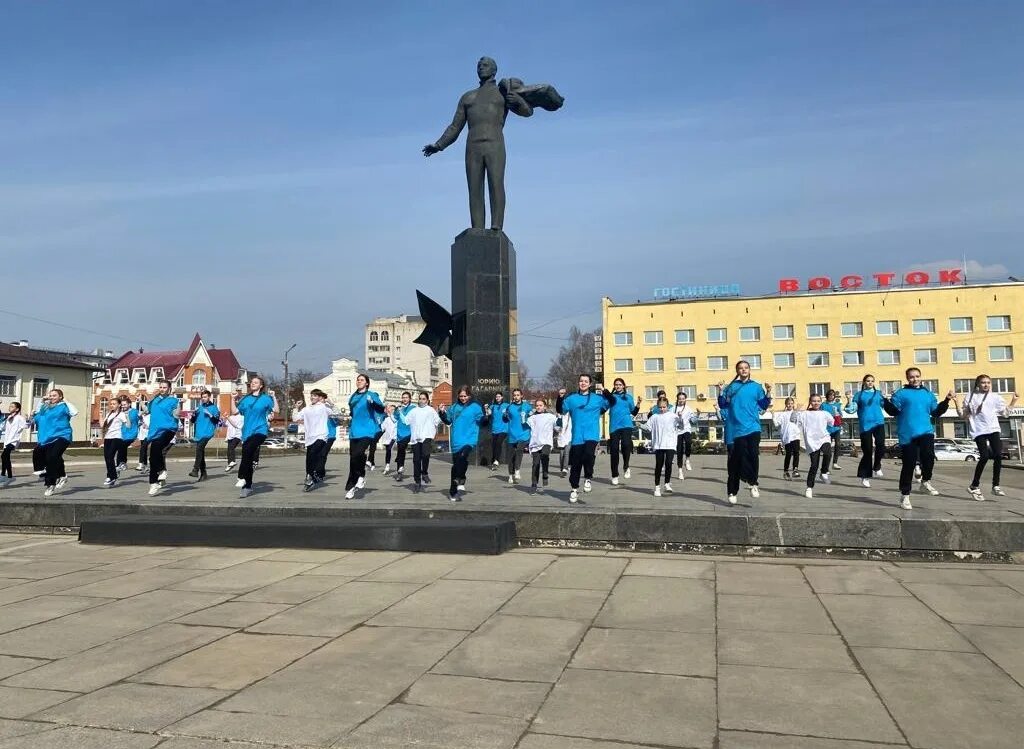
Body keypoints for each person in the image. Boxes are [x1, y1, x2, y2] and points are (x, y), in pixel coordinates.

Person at [882, 368, 953, 510]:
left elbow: (936, 412)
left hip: (926, 431)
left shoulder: (928, 394)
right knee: (908, 464)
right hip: (908, 434)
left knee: (929, 457)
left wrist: (946, 400)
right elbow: (893, 411)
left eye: (917, 376)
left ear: (921, 377)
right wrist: (884, 401)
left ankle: (925, 482)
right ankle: (905, 495)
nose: (915, 379)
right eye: (912, 377)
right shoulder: (901, 394)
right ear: (907, 378)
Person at [718, 361, 772, 505]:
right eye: (740, 368)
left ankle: (754, 483)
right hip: (737, 429)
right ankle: (735, 489)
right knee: (739, 458)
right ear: (737, 371)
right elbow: (723, 404)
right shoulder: (732, 387)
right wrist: (721, 391)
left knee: (753, 454)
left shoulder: (756, 387)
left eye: (746, 368)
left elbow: (763, 405)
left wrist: (768, 392)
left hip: (753, 427)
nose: (743, 370)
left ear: (749, 370)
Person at [958, 375, 1018, 500]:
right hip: (979, 430)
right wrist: (955, 402)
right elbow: (964, 415)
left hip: (993, 429)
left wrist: (1013, 401)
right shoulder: (970, 396)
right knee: (984, 456)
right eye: (983, 382)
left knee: (997, 455)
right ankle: (974, 485)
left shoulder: (995, 397)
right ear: (978, 384)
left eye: (988, 383)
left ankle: (995, 485)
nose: (986, 385)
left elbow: (1005, 414)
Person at [556, 375, 612, 503]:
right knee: (576, 463)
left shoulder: (597, 399)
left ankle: (588, 478)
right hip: (577, 436)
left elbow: (611, 402)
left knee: (588, 455)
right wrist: (560, 397)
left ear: (590, 384)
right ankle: (574, 489)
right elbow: (560, 409)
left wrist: (604, 391)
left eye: (586, 381)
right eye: (581, 381)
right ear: (578, 383)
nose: (583, 383)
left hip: (592, 434)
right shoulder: (572, 399)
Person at [232, 377, 277, 498]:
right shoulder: (245, 399)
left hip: (261, 430)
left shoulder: (266, 398)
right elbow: (235, 411)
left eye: (256, 382)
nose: (253, 384)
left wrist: (274, 398)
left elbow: (275, 410)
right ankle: (248, 485)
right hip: (247, 432)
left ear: (261, 385)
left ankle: (241, 477)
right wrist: (233, 399)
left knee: (247, 452)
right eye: (251, 382)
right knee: (248, 456)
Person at [439, 385, 487, 500]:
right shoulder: (454, 407)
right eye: (461, 396)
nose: (463, 398)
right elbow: (448, 421)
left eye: (465, 396)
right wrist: (441, 413)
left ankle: (459, 479)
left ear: (469, 396)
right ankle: (453, 490)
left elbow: (482, 421)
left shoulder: (475, 407)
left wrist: (487, 415)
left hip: (470, 438)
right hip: (456, 439)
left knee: (463, 455)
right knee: (456, 465)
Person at [29, 389, 78, 497]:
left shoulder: (63, 406)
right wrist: (41, 402)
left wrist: (66, 400)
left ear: (60, 397)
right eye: (50, 395)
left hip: (62, 435)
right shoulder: (45, 407)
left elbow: (74, 412)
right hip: (46, 438)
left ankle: (50, 484)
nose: (51, 397)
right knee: (47, 455)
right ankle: (62, 475)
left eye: (54, 395)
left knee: (53, 456)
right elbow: (37, 415)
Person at [345, 374, 385, 499]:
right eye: (358, 380)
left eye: (362, 380)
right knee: (353, 458)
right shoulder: (353, 396)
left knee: (358, 454)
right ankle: (353, 486)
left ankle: (361, 476)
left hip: (367, 430)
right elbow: (352, 411)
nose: (359, 381)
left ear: (367, 383)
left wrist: (372, 402)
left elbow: (381, 408)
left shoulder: (371, 395)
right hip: (354, 431)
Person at [845, 375, 886, 488]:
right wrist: (849, 399)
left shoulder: (878, 393)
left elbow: (885, 405)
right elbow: (851, 409)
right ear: (864, 382)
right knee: (867, 451)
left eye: (872, 381)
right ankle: (865, 476)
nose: (870, 383)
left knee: (881, 446)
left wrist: (892, 400)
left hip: (879, 422)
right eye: (868, 381)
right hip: (865, 425)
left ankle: (877, 466)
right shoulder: (859, 395)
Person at [789, 395, 834, 498]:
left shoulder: (825, 413)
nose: (816, 403)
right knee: (814, 465)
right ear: (810, 402)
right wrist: (796, 410)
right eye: (814, 401)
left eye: (818, 401)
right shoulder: (804, 414)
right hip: (811, 441)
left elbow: (832, 423)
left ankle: (823, 472)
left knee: (828, 453)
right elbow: (792, 420)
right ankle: (809, 487)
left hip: (824, 438)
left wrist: (836, 415)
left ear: (821, 402)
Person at [292, 389, 335, 491]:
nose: (312, 397)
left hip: (321, 435)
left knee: (314, 453)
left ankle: (313, 474)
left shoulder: (324, 407)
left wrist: (331, 403)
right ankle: (309, 476)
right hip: (310, 437)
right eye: (311, 396)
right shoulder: (306, 409)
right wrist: (296, 408)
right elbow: (295, 418)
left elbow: (335, 413)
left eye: (315, 396)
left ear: (319, 397)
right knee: (309, 457)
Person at [145, 380, 180, 496]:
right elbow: (146, 411)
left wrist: (178, 411)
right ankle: (154, 483)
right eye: (161, 387)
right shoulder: (154, 400)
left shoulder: (173, 400)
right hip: (155, 431)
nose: (162, 389)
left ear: (169, 389)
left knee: (156, 448)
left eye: (165, 387)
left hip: (168, 429)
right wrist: (143, 400)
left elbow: (176, 414)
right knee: (152, 457)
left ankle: (161, 471)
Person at [404, 391, 442, 491]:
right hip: (416, 438)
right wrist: (397, 413)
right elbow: (406, 421)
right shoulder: (413, 411)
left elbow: (437, 421)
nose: (421, 400)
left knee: (425, 455)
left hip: (427, 436)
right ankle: (417, 481)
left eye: (423, 399)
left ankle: (424, 472)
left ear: (427, 400)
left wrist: (442, 412)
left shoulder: (430, 410)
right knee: (416, 460)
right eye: (420, 398)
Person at [607, 378, 641, 486]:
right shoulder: (611, 398)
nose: (618, 386)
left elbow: (634, 412)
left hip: (626, 424)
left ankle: (626, 466)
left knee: (626, 445)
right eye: (616, 385)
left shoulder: (628, 397)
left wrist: (639, 404)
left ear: (623, 386)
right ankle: (615, 475)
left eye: (620, 385)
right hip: (614, 426)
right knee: (614, 450)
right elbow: (603, 407)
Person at [647, 395, 681, 497]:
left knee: (668, 463)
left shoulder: (673, 416)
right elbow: (647, 427)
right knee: (659, 465)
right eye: (660, 407)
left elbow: (681, 426)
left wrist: (680, 417)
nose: (662, 409)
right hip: (659, 445)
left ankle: (667, 483)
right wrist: (639, 425)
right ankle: (657, 487)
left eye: (664, 407)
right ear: (657, 407)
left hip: (670, 444)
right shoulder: (654, 417)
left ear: (667, 406)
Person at [188, 390, 220, 482]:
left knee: (199, 449)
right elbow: (193, 421)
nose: (203, 398)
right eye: (202, 397)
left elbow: (217, 421)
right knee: (200, 452)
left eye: (205, 397)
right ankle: (204, 473)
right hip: (199, 433)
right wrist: (192, 416)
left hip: (208, 433)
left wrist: (210, 415)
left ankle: (195, 470)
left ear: (209, 397)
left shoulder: (214, 408)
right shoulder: (199, 408)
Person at [526, 398, 556, 494]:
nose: (538, 407)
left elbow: (558, 426)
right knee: (535, 464)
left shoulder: (550, 416)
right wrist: (524, 416)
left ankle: (545, 473)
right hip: (535, 443)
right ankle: (534, 484)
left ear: (545, 406)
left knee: (544, 456)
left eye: (540, 405)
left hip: (546, 442)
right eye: (537, 406)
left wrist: (560, 419)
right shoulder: (532, 418)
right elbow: (525, 425)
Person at [503, 388, 532, 484]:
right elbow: (505, 420)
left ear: (521, 396)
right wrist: (504, 416)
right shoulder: (509, 407)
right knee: (511, 456)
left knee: (519, 449)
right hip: (512, 434)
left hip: (524, 433)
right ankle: (511, 475)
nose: (516, 397)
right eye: (514, 395)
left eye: (518, 395)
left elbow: (532, 417)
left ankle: (517, 470)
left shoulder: (527, 406)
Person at [100, 399, 130, 487]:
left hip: (117, 437)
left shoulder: (121, 414)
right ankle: (111, 476)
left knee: (110, 456)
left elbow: (128, 425)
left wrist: (127, 416)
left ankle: (111, 476)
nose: (112, 405)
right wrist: (100, 415)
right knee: (107, 457)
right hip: (108, 437)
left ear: (119, 405)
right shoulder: (109, 414)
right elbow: (102, 426)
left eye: (114, 404)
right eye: (111, 404)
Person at [773, 397, 801, 479]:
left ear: (793, 404)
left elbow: (801, 421)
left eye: (791, 403)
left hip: (795, 435)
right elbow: (776, 424)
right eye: (788, 403)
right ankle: (786, 471)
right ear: (786, 404)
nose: (790, 405)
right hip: (786, 437)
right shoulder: (782, 414)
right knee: (788, 454)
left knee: (796, 452)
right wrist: (773, 415)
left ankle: (795, 469)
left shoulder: (797, 413)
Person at [0, 402, 27, 486]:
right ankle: (3, 475)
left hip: (14, 440)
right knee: (4, 456)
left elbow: (26, 426)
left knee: (4, 455)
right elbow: (2, 427)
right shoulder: (8, 418)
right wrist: (4, 421)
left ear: (17, 409)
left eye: (12, 406)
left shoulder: (19, 418)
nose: (10, 407)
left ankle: (10, 477)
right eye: (10, 406)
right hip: (7, 441)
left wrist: (29, 419)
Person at [672, 392, 697, 477]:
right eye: (680, 399)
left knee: (688, 442)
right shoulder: (673, 408)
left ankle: (687, 460)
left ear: (685, 399)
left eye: (683, 398)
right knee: (679, 450)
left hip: (686, 429)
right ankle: (680, 470)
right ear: (677, 399)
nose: (681, 400)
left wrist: (698, 415)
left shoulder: (688, 408)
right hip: (677, 431)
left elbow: (693, 420)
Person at [115, 396, 139, 474]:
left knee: (122, 446)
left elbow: (138, 419)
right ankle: (119, 464)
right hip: (122, 434)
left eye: (125, 404)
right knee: (120, 447)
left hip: (132, 433)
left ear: (129, 404)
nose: (123, 406)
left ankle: (123, 463)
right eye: (122, 405)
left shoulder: (134, 412)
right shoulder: (120, 413)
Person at [393, 392, 414, 480]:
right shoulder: (399, 408)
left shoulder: (413, 408)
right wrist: (396, 411)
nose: (404, 399)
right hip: (400, 433)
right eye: (403, 397)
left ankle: (401, 465)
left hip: (409, 432)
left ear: (409, 399)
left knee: (402, 450)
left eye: (406, 397)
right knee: (400, 451)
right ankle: (399, 472)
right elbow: (394, 419)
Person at [821, 390, 844, 470]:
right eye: (830, 395)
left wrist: (838, 414)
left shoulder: (837, 404)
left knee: (837, 444)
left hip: (836, 428)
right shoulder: (823, 405)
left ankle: (835, 463)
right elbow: (820, 415)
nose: (832, 396)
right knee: (827, 449)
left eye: (833, 395)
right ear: (827, 396)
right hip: (827, 429)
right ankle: (826, 467)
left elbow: (841, 415)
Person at [488, 391, 510, 470]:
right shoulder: (492, 406)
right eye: (496, 397)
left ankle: (496, 461)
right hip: (494, 429)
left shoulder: (507, 405)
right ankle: (494, 461)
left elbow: (510, 414)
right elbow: (488, 414)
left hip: (504, 429)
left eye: (499, 396)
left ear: (502, 397)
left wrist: (506, 414)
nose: (497, 398)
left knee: (498, 443)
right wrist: (486, 410)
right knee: (494, 446)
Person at [555, 404, 572, 476]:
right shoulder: (560, 415)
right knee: (562, 454)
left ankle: (565, 468)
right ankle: (562, 469)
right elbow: (556, 426)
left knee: (567, 452)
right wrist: (558, 428)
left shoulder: (572, 414)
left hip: (570, 436)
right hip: (561, 436)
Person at [380, 405, 397, 474]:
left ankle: (398, 458)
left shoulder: (396, 419)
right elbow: (382, 428)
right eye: (391, 409)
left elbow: (394, 419)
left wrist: (390, 414)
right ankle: (387, 465)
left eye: (393, 409)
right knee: (388, 451)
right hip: (387, 438)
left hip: (394, 437)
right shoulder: (386, 419)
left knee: (389, 449)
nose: (391, 410)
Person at [135, 408, 150, 472]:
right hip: (142, 435)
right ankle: (146, 466)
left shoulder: (151, 416)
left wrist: (148, 427)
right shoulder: (142, 416)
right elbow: (138, 424)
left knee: (143, 448)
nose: (145, 411)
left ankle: (140, 463)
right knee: (144, 450)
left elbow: (154, 425)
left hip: (148, 435)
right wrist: (140, 423)